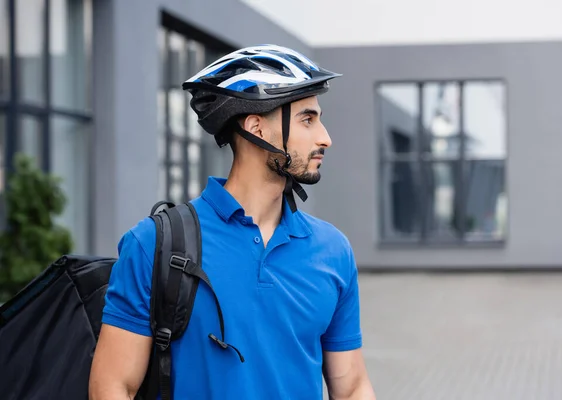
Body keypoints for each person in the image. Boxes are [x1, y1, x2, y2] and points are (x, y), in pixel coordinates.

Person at [89, 44, 376, 400]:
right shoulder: (154, 244)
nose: (325, 138)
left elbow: (351, 388)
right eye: (307, 119)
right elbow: (113, 387)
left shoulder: (333, 251)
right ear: (256, 126)